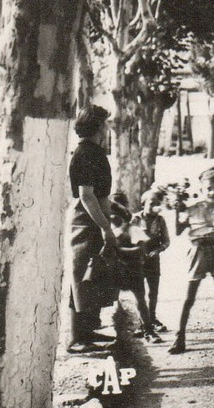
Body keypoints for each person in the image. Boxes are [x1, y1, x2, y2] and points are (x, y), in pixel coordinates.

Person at [169, 168, 214, 354]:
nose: (212, 192)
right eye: (209, 188)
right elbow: (179, 230)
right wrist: (178, 210)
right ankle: (180, 337)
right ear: (202, 189)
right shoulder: (193, 209)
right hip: (197, 252)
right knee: (188, 297)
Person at [66, 106, 119, 354]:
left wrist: (115, 209)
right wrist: (106, 228)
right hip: (85, 223)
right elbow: (86, 196)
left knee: (91, 277)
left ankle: (87, 331)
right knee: (82, 277)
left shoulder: (94, 152)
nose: (108, 128)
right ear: (97, 126)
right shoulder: (86, 153)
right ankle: (78, 339)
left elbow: (99, 193)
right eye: (105, 123)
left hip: (93, 221)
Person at [108, 191, 162, 342]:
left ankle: (149, 331)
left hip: (132, 270)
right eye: (112, 211)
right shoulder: (107, 229)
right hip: (116, 270)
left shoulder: (132, 229)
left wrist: (118, 250)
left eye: (118, 211)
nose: (114, 216)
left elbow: (141, 249)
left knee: (140, 300)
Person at [133, 186, 171, 332]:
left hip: (153, 259)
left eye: (157, 204)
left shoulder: (160, 221)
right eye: (151, 203)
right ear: (143, 204)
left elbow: (166, 241)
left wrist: (157, 250)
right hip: (137, 259)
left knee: (153, 291)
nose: (155, 207)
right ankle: (142, 322)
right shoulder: (136, 219)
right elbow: (128, 238)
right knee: (139, 292)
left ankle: (152, 318)